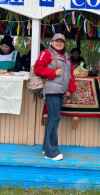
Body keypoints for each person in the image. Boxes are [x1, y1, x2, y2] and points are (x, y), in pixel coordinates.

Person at [34, 33, 76, 161]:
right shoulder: (46, 53)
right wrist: (52, 73)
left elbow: (70, 73)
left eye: (61, 41)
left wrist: (70, 88)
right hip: (52, 90)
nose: (59, 43)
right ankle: (51, 152)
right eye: (56, 41)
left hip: (60, 91)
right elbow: (37, 68)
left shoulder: (66, 56)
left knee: (53, 119)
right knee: (55, 118)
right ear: (51, 42)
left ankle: (46, 148)